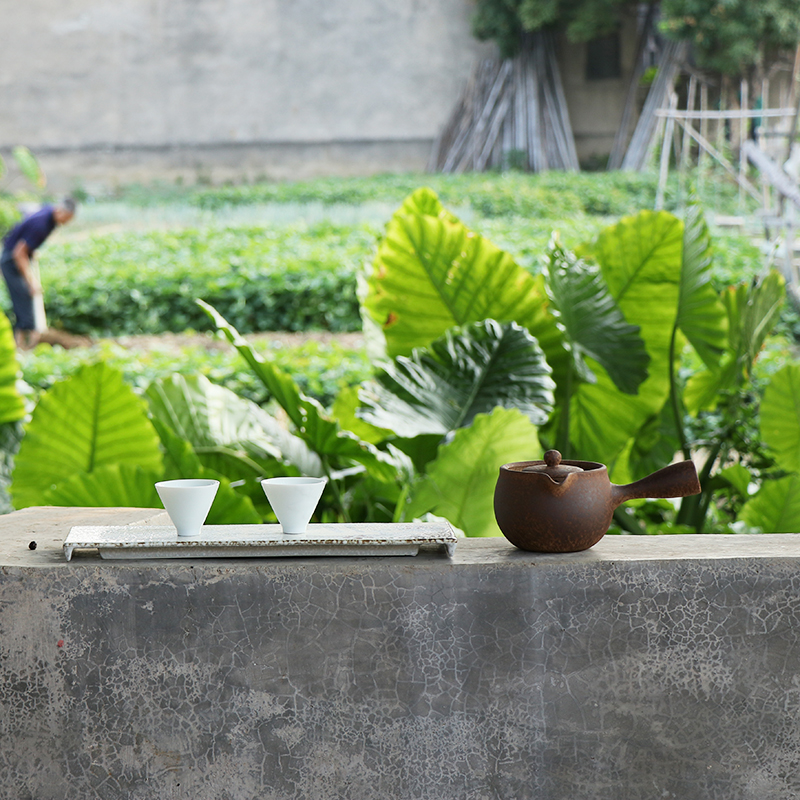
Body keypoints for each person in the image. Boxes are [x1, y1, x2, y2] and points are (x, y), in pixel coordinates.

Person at [1, 197, 76, 348]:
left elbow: (25, 243)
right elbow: (18, 253)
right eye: (66, 218)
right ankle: (23, 346)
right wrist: (32, 282)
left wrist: (31, 250)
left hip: (16, 256)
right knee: (24, 299)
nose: (66, 223)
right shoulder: (41, 225)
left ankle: (23, 345)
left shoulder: (49, 215)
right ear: (60, 211)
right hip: (11, 262)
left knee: (25, 300)